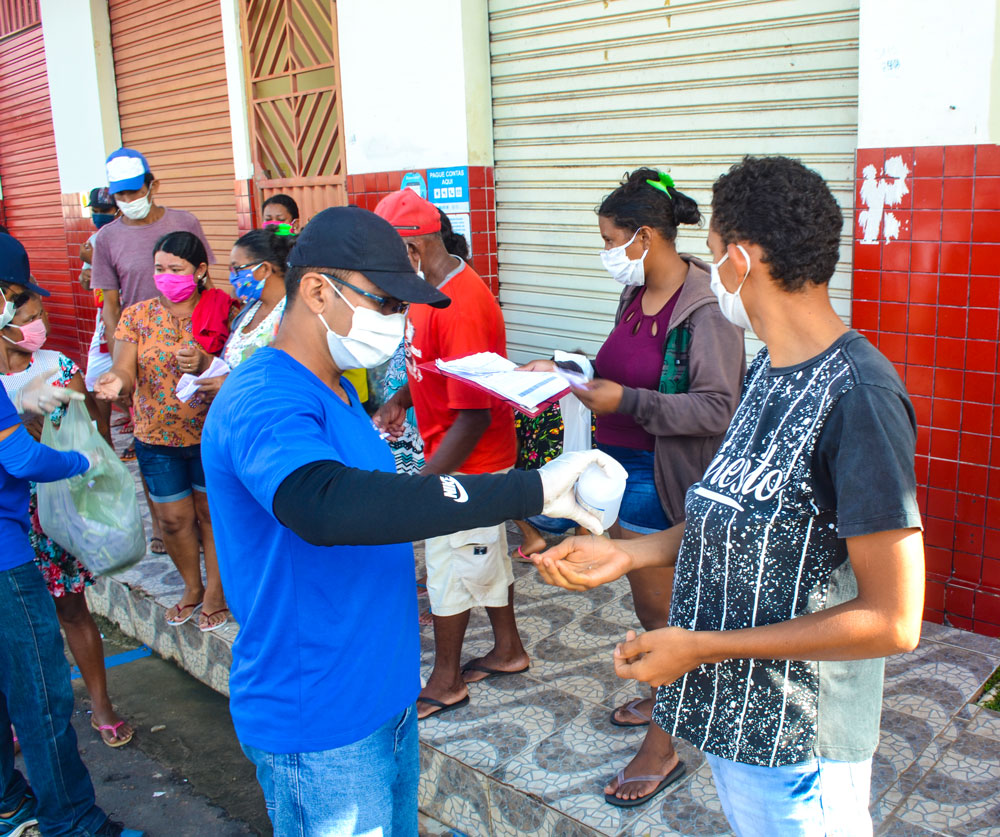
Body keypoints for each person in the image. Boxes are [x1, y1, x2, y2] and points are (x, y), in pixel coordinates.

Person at [532, 155, 925, 836]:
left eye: (713, 255)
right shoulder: (770, 367)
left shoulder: (860, 396)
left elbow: (894, 618)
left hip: (801, 744)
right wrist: (629, 554)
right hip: (739, 726)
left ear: (740, 262)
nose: (709, 274)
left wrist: (703, 646)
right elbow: (734, 513)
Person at [201, 205, 614, 836]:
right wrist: (528, 488)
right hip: (319, 716)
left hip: (382, 694)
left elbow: (385, 502)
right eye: (387, 303)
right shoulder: (266, 396)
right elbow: (324, 504)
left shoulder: (335, 386)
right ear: (317, 291)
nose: (397, 322)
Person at [521, 168, 746, 806]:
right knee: (648, 607)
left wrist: (628, 401)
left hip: (662, 475)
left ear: (644, 236)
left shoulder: (706, 309)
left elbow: (719, 408)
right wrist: (564, 369)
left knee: (662, 613)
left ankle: (663, 746)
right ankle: (662, 695)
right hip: (618, 468)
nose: (606, 253)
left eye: (609, 240)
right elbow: (618, 369)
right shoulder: (635, 292)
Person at [0, 233, 143, 837]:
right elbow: (21, 460)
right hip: (7, 555)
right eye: (22, 300)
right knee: (40, 693)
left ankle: (11, 804)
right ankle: (73, 822)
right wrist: (83, 463)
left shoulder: (48, 365)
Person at [373, 190, 530, 720]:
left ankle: (446, 681)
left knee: (450, 567)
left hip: (471, 461)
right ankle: (508, 650)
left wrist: (424, 484)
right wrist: (401, 399)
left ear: (413, 247)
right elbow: (428, 362)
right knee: (481, 556)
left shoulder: (460, 304)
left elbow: (475, 416)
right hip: (451, 450)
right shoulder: (425, 288)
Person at [95, 231, 235, 632]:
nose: (166, 276)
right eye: (159, 268)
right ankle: (192, 587)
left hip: (211, 436)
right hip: (156, 437)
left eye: (176, 268)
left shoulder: (223, 310)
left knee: (211, 517)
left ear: (200, 270)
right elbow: (124, 367)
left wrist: (207, 361)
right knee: (173, 520)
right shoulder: (137, 316)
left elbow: (240, 364)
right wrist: (116, 382)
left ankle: (216, 594)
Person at [91, 147, 214, 549]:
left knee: (201, 433)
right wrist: (120, 364)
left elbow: (208, 284)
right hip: (140, 346)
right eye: (120, 195)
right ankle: (165, 526)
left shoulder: (184, 222)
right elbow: (111, 305)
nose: (128, 200)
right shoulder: (107, 238)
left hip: (192, 341)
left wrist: (212, 338)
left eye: (133, 191)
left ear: (152, 185)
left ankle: (209, 528)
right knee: (151, 433)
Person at [188, 229, 294, 406]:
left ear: (264, 269)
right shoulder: (249, 310)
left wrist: (230, 386)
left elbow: (286, 377)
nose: (232, 278)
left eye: (237, 269)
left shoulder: (292, 314)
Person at [79, 187, 119, 448]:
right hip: (103, 323)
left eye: (105, 210)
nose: (99, 215)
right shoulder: (94, 240)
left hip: (127, 320)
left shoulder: (129, 238)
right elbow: (85, 282)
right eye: (95, 210)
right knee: (95, 381)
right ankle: (106, 444)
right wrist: (89, 273)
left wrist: (95, 261)